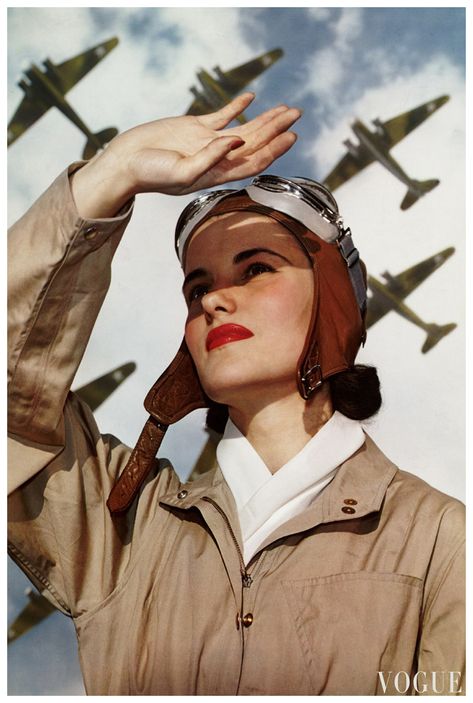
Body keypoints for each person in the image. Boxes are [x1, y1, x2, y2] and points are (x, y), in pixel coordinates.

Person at [8, 93, 464, 696]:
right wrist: (111, 174)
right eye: (197, 288)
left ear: (332, 301)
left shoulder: (442, 541)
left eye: (256, 270)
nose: (214, 300)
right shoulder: (122, 529)